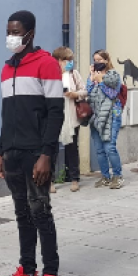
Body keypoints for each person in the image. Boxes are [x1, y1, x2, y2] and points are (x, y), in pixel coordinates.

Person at [0, 10, 64, 276]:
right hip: (12, 153)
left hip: (36, 153)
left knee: (40, 213)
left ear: (30, 34)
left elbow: (55, 112)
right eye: (8, 31)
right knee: (22, 213)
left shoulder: (46, 64)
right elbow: (7, 115)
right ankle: (27, 271)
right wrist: (0, 150)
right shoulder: (7, 68)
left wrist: (47, 153)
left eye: (16, 32)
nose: (11, 37)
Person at [88, 49, 125, 189]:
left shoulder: (113, 75)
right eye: (95, 60)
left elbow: (112, 94)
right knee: (99, 149)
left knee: (109, 147)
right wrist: (92, 78)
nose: (97, 63)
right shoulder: (93, 75)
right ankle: (105, 177)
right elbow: (88, 92)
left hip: (111, 115)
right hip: (96, 116)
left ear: (106, 60)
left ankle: (118, 176)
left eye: (100, 60)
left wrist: (101, 81)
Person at [52, 46, 88, 193]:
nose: (70, 62)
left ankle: (74, 179)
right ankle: (50, 181)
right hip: (55, 116)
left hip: (71, 117)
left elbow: (85, 90)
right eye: (68, 59)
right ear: (59, 60)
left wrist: (75, 94)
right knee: (52, 149)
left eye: (71, 59)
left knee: (72, 149)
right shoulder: (51, 74)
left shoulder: (74, 74)